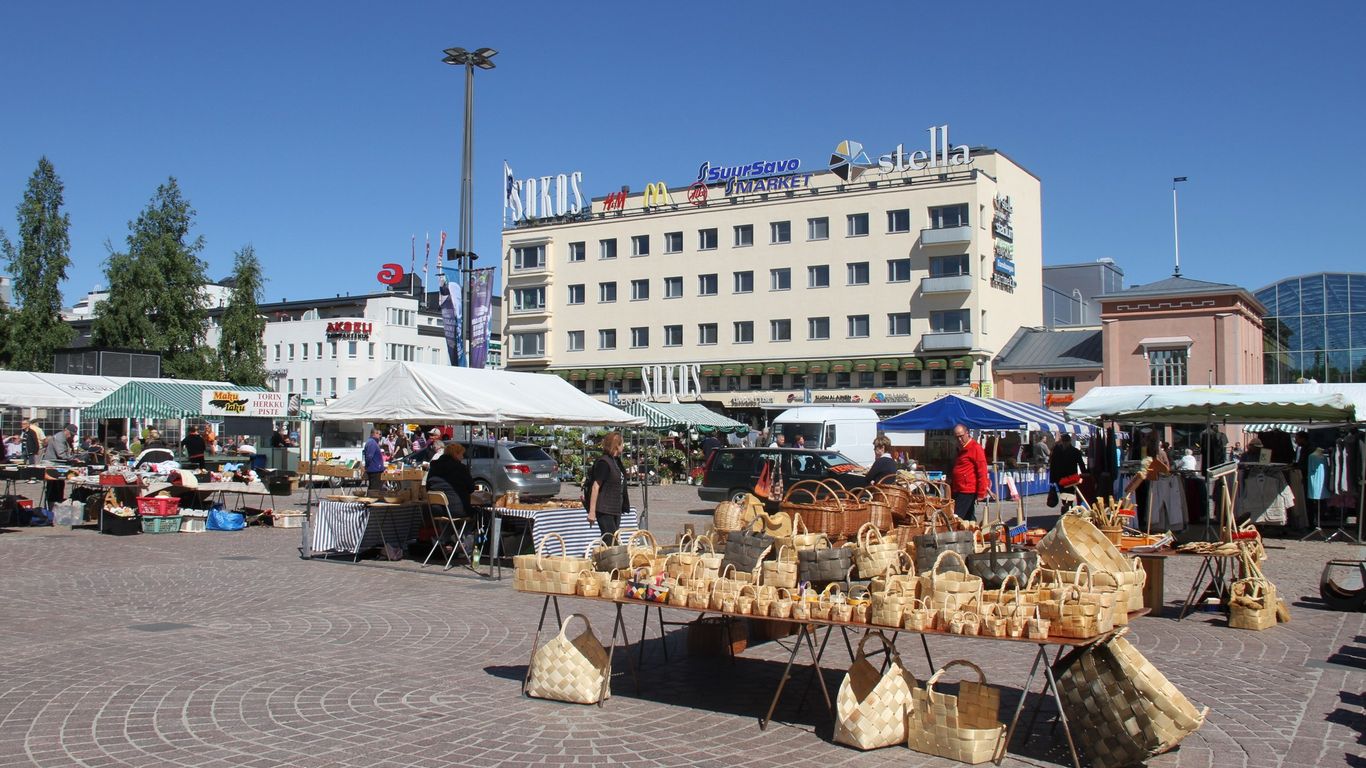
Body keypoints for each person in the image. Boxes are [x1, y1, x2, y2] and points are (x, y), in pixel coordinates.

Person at [587, 431, 629, 539]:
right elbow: (595, 486)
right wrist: (592, 512)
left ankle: (603, 551)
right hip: (604, 509)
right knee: (610, 541)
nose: (623, 446)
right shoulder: (604, 463)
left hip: (615, 508)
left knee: (612, 541)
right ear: (617, 445)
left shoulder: (616, 461)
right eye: (622, 443)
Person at [949, 423, 989, 521]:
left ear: (967, 433)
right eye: (957, 437)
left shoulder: (975, 448)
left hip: (967, 490)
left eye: (961, 436)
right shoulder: (961, 448)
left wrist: (981, 492)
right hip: (958, 488)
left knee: (957, 517)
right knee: (968, 517)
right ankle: (973, 528)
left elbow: (982, 471)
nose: (959, 439)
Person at [426, 442, 475, 518]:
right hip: (457, 509)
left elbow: (428, 487)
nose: (462, 457)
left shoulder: (434, 467)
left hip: (436, 510)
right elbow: (471, 488)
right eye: (461, 454)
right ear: (455, 454)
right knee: (478, 514)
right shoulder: (460, 468)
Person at [363, 428, 385, 495]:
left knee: (374, 488)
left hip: (375, 469)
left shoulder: (373, 442)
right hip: (374, 470)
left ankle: (371, 498)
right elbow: (369, 456)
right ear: (374, 434)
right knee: (374, 489)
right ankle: (372, 499)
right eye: (378, 434)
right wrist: (367, 466)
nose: (380, 436)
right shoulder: (372, 443)